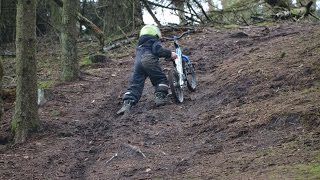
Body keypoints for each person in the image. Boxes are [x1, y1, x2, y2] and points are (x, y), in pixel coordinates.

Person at [117, 24, 177, 115]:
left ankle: (127, 103)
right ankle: (160, 98)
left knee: (135, 84)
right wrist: (170, 53)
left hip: (138, 64)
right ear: (156, 34)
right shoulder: (153, 41)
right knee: (160, 79)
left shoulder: (140, 45)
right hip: (149, 61)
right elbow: (158, 51)